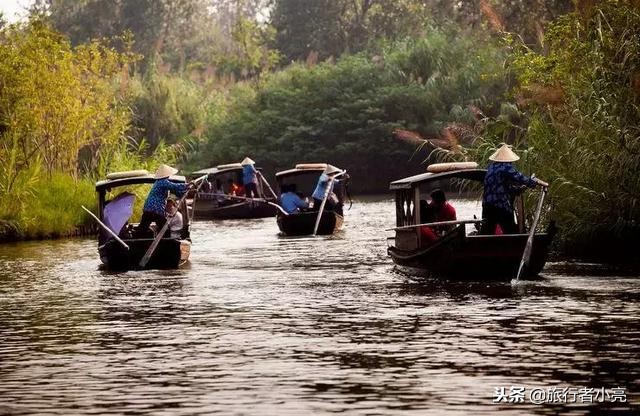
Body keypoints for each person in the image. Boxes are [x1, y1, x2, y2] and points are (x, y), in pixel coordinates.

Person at [481, 144, 548, 235]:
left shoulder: (491, 168)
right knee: (510, 230)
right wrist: (533, 182)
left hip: (487, 206)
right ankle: (515, 245)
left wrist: (518, 190)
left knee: (487, 232)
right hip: (500, 205)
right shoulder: (506, 167)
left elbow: (503, 187)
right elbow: (520, 177)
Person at [137, 164, 191, 236]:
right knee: (165, 229)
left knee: (142, 228)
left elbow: (175, 191)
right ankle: (165, 243)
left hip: (148, 209)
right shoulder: (163, 182)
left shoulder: (159, 183)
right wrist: (187, 185)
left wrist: (186, 191)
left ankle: (137, 238)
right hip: (156, 210)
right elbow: (174, 186)